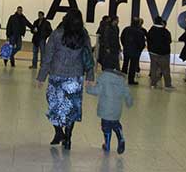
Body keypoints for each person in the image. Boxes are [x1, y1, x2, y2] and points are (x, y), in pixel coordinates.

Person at [37, 9, 95, 150]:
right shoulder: (83, 34)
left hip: (57, 75)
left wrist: (41, 77)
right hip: (75, 77)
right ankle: (67, 138)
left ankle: (58, 132)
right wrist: (90, 75)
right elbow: (88, 56)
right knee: (71, 109)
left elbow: (48, 57)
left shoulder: (57, 34)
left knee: (54, 105)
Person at [86, 62, 133, 154]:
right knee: (115, 124)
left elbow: (96, 91)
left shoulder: (103, 78)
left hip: (105, 109)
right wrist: (129, 103)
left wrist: (88, 87)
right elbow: (127, 93)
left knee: (106, 127)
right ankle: (121, 138)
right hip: (116, 109)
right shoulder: (122, 80)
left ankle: (107, 145)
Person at [147, 16, 174, 90]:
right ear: (161, 22)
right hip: (164, 53)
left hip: (153, 53)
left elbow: (148, 40)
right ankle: (167, 85)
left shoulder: (151, 30)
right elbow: (169, 41)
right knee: (165, 69)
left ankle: (153, 84)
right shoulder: (165, 31)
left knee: (154, 69)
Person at [121, 18, 145, 85]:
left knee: (125, 64)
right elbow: (142, 43)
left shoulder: (126, 29)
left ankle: (122, 78)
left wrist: (125, 45)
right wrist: (140, 49)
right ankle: (131, 80)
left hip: (127, 50)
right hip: (135, 51)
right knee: (133, 66)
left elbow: (122, 38)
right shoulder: (140, 32)